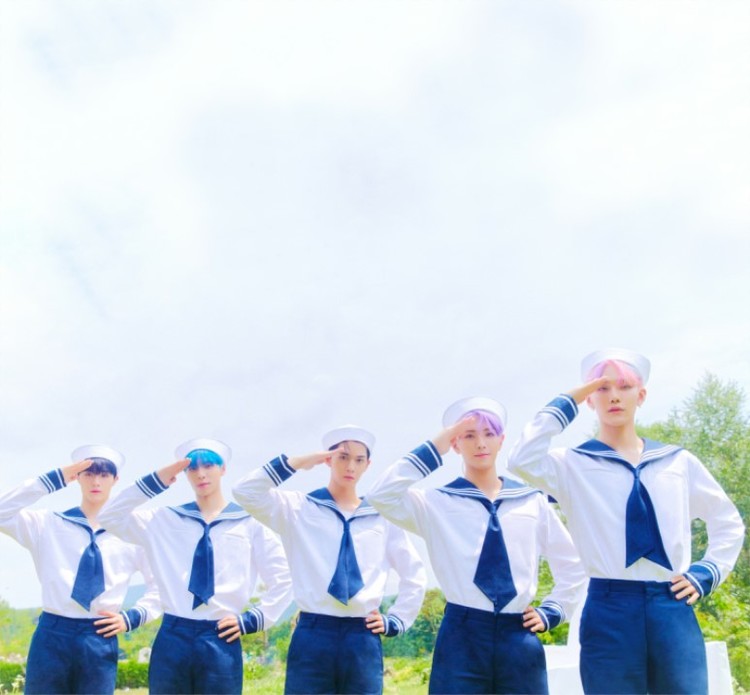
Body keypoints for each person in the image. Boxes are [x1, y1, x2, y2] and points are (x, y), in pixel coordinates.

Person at [507, 348, 746, 695]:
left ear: (641, 395)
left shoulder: (677, 462)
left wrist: (707, 572)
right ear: (590, 400)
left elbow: (727, 520)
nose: (614, 396)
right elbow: (521, 458)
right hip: (609, 608)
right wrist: (570, 398)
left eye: (624, 386)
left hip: (671, 602)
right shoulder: (571, 465)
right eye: (602, 388)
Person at [367, 398, 586, 694]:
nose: (480, 443)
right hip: (462, 636)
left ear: (501, 440)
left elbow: (572, 565)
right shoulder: (435, 503)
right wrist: (439, 443)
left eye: (489, 434)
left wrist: (553, 611)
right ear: (456, 444)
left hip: (518, 633)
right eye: (469, 435)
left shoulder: (531, 501)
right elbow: (381, 495)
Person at [233, 425, 427, 695]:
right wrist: (298, 462)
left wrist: (396, 620)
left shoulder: (380, 516)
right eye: (342, 457)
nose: (350, 466)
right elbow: (245, 492)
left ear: (367, 465)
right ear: (328, 459)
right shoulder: (299, 508)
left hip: (362, 633)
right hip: (314, 633)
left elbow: (413, 572)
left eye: (359, 460)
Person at [98, 438, 293, 695]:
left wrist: (254, 620)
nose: (201, 474)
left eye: (208, 466)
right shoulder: (164, 520)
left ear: (223, 469)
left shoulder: (249, 524)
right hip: (173, 635)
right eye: (192, 468)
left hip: (221, 636)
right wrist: (157, 480)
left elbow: (284, 577)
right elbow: (109, 516)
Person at [0, 445, 161, 695]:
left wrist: (133, 617)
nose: (96, 481)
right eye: (88, 473)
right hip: (52, 633)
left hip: (99, 635)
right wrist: (55, 478)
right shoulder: (48, 524)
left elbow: (161, 585)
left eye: (104, 475)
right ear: (77, 477)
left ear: (115, 479)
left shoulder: (131, 532)